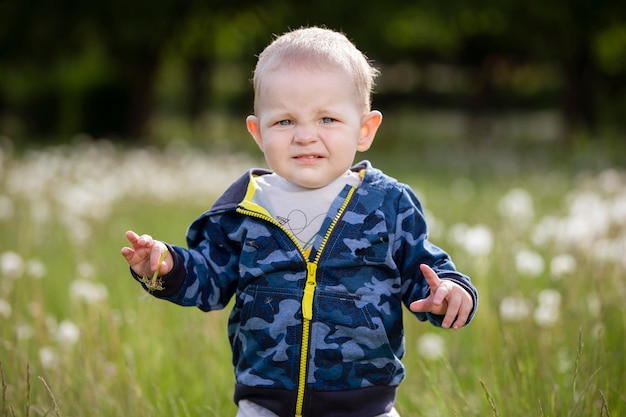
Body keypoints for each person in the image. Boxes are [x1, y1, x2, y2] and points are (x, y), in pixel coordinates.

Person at [121, 26, 478, 417]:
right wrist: (164, 266)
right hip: (265, 404)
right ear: (258, 132)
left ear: (364, 129)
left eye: (327, 119)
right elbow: (209, 281)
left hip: (365, 406)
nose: (305, 136)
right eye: (285, 122)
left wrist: (448, 293)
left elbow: (423, 273)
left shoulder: (387, 204)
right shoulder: (243, 207)